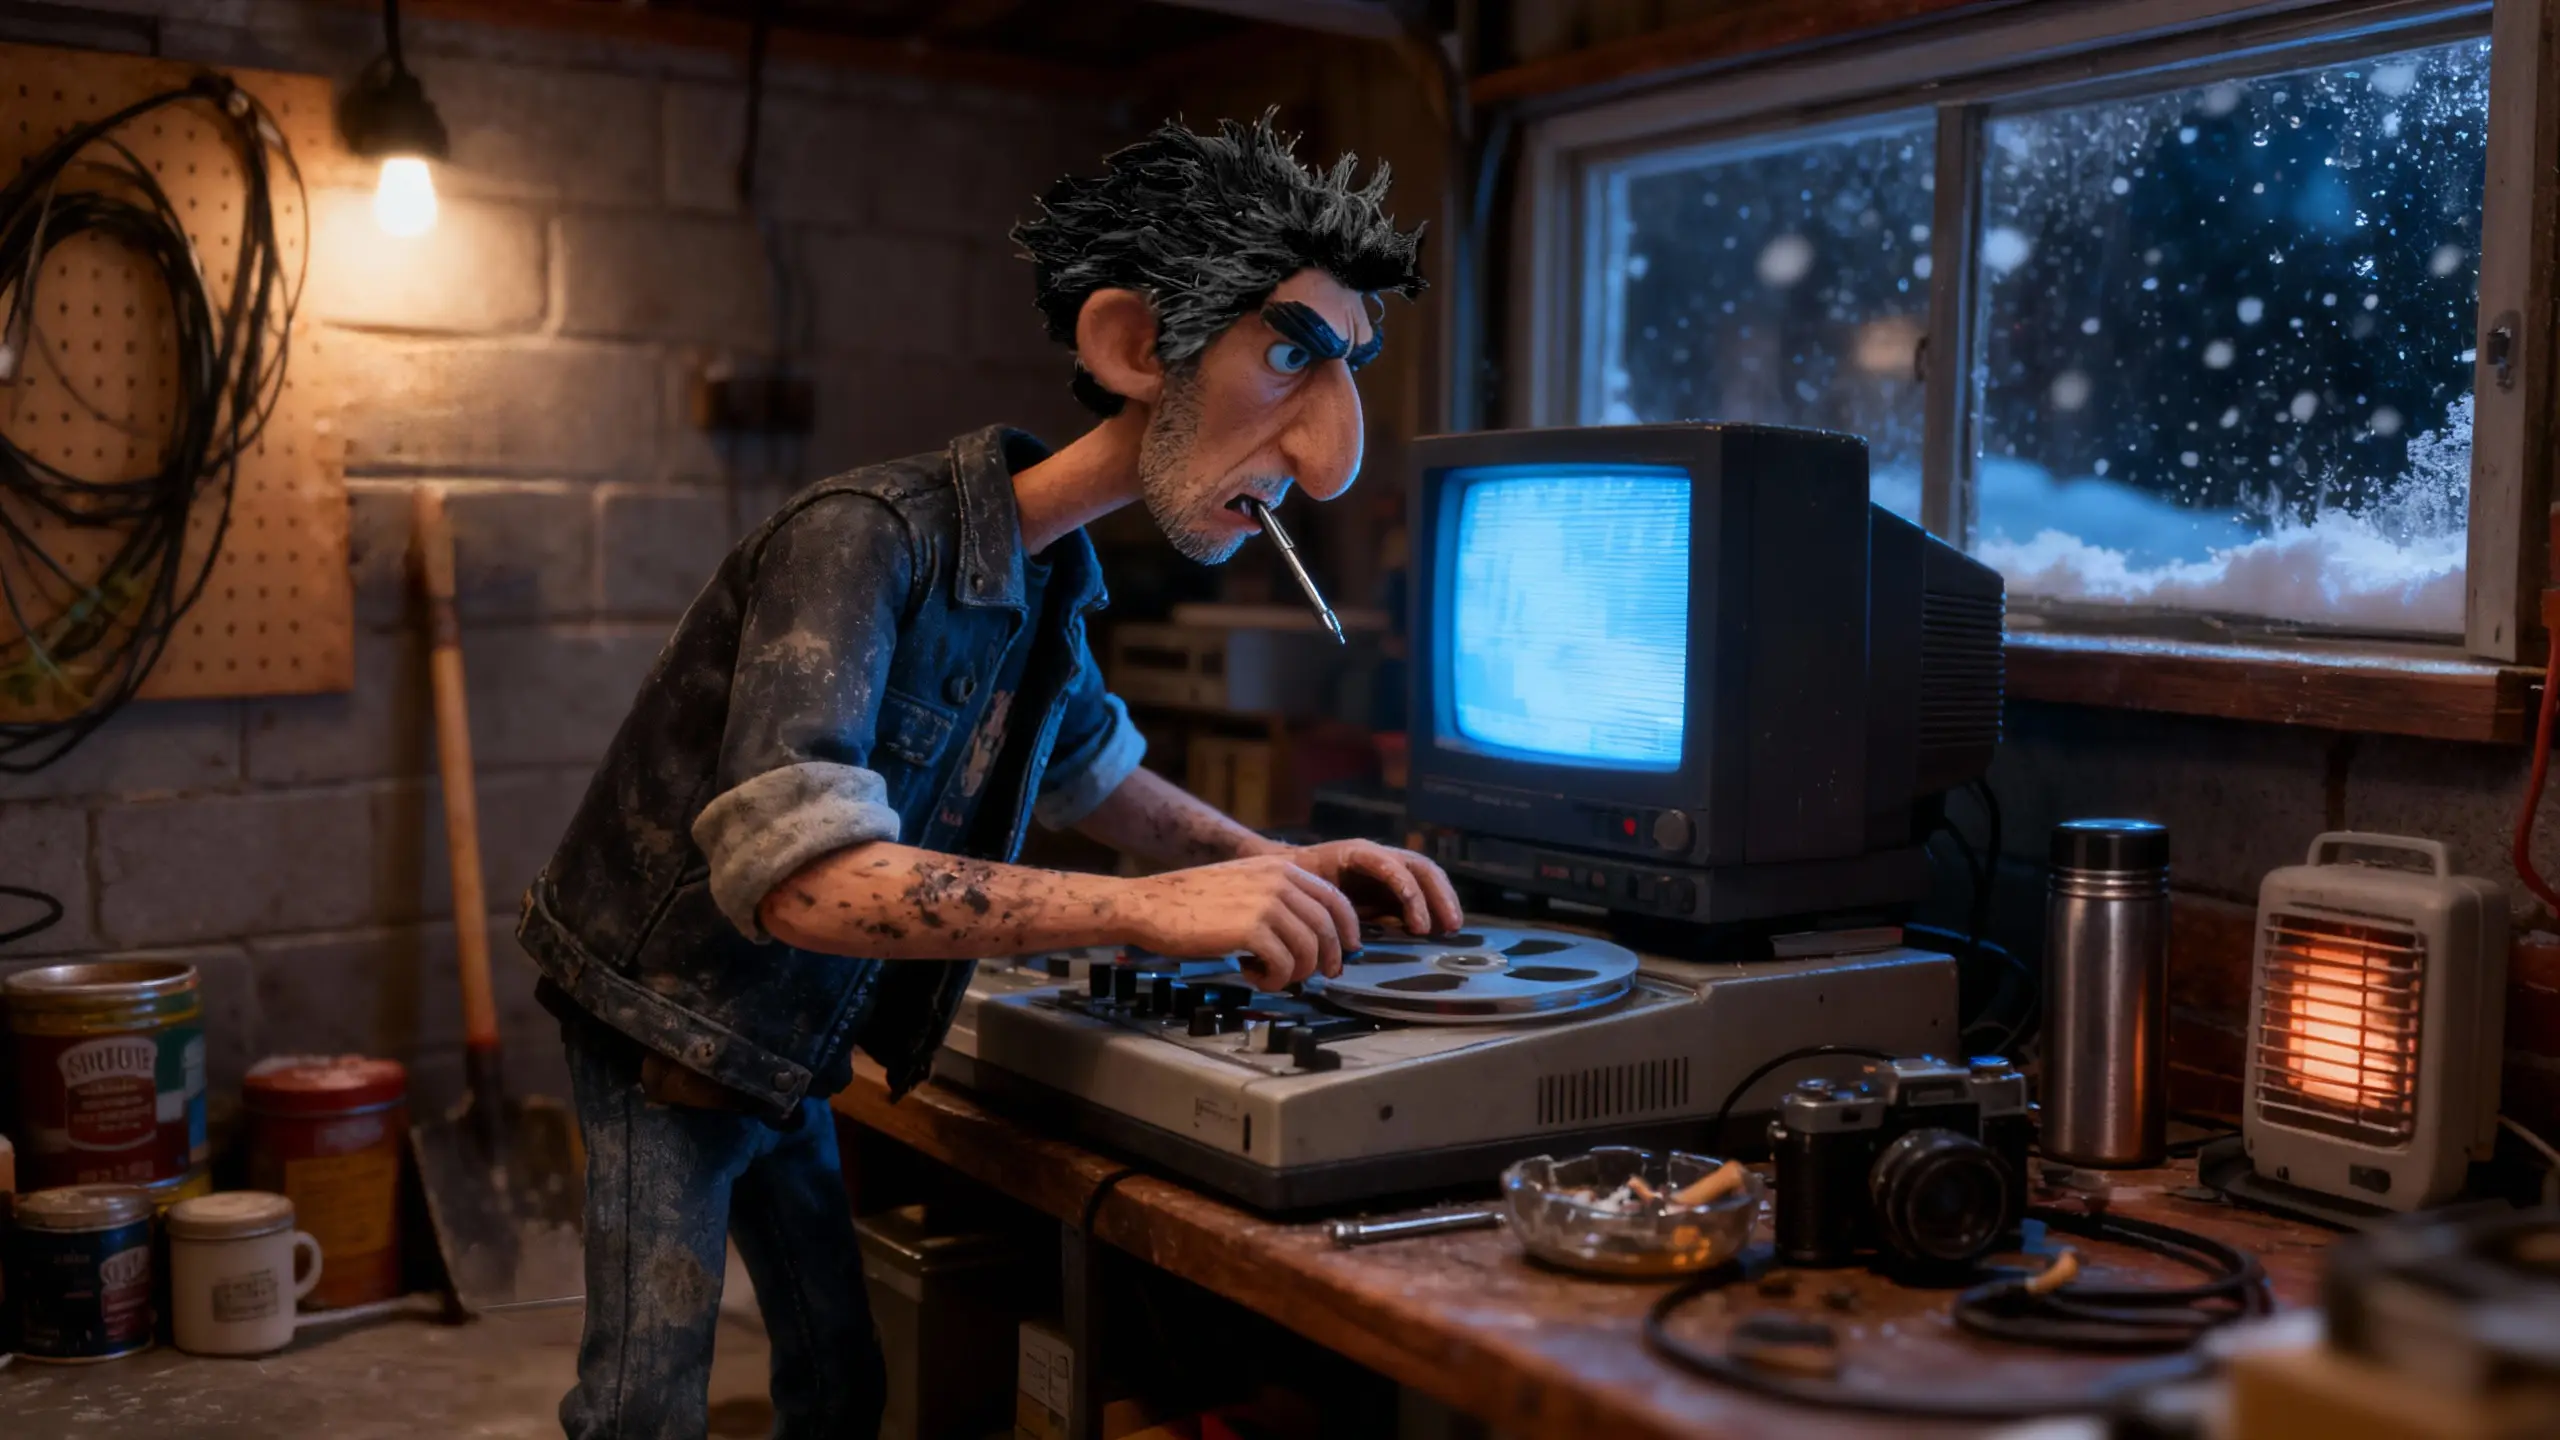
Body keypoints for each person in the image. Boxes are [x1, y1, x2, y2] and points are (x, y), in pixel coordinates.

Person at [515, 112, 1463, 1440]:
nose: (1328, 452)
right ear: (1134, 346)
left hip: (790, 1026)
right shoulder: (860, 540)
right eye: (1291, 354)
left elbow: (1089, 773)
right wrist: (1148, 909)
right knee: (642, 1405)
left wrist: (1266, 864)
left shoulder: (1048, 575)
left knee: (839, 1383)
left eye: (1344, 368)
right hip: (665, 1012)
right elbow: (798, 883)